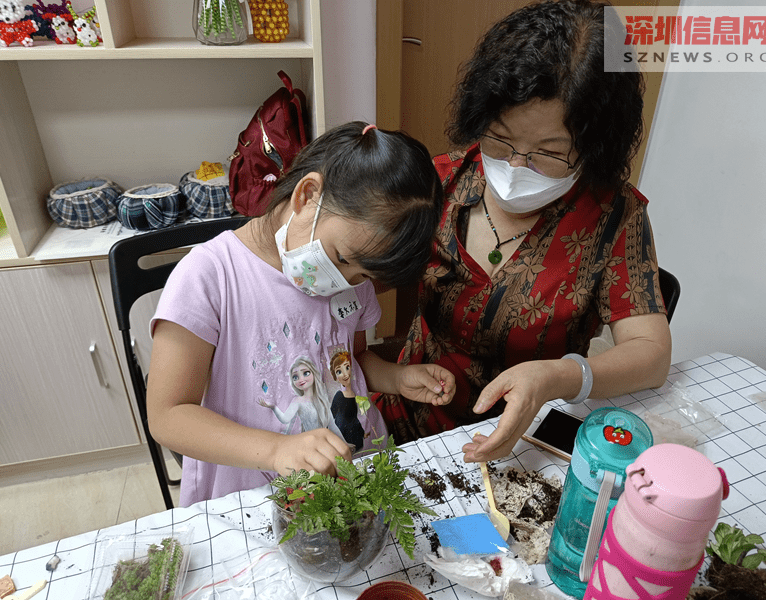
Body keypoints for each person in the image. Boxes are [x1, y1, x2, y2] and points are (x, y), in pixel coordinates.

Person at [375, 0, 672, 463]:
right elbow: (354, 277)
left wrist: (558, 377)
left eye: (548, 153)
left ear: (593, 147)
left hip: (525, 439)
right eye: (500, 138)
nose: (516, 166)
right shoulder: (440, 183)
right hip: (410, 412)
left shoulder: (614, 216)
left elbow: (651, 353)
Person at [147, 122, 456, 506]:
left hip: (352, 470)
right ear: (308, 196)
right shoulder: (209, 276)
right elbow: (168, 415)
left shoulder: (354, 280)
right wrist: (278, 450)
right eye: (343, 259)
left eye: (364, 275)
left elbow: (351, 359)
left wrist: (398, 377)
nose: (348, 281)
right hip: (256, 490)